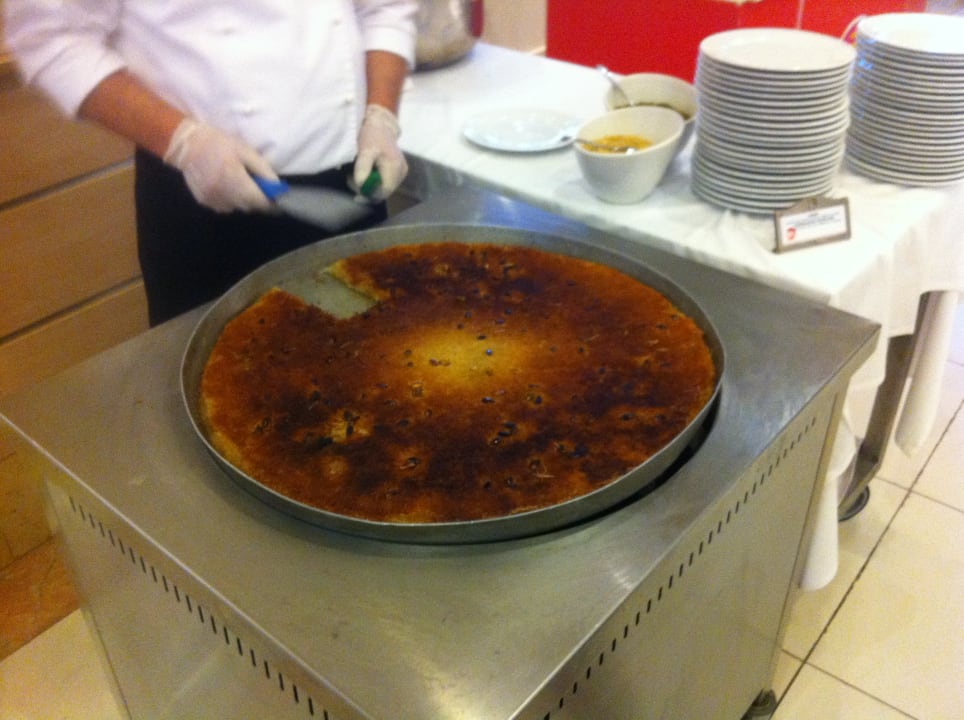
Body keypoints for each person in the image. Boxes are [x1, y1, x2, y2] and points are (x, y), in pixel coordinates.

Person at [4, 0, 418, 325]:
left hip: (354, 182)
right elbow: (51, 37)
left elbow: (385, 8)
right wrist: (185, 143)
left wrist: (381, 116)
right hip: (207, 206)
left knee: (378, 359)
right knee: (223, 389)